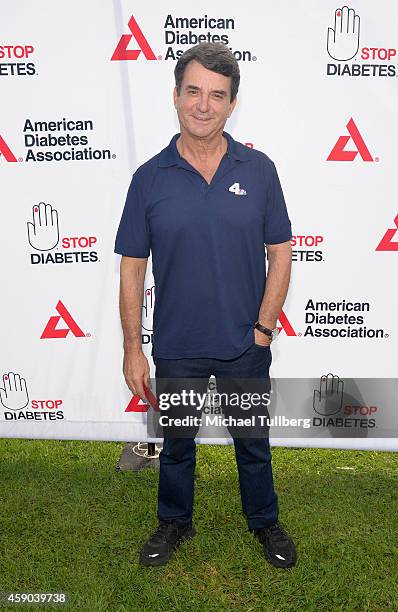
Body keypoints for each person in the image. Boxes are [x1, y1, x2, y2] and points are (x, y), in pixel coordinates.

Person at [114, 42, 296, 569]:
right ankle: (174, 521)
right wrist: (133, 347)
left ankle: (264, 522)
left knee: (253, 443)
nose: (203, 104)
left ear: (232, 103)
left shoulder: (260, 170)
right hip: (176, 346)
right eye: (193, 91)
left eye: (217, 95)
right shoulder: (148, 179)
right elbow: (132, 265)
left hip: (245, 344)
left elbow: (281, 251)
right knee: (175, 445)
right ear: (175, 96)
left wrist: (263, 328)